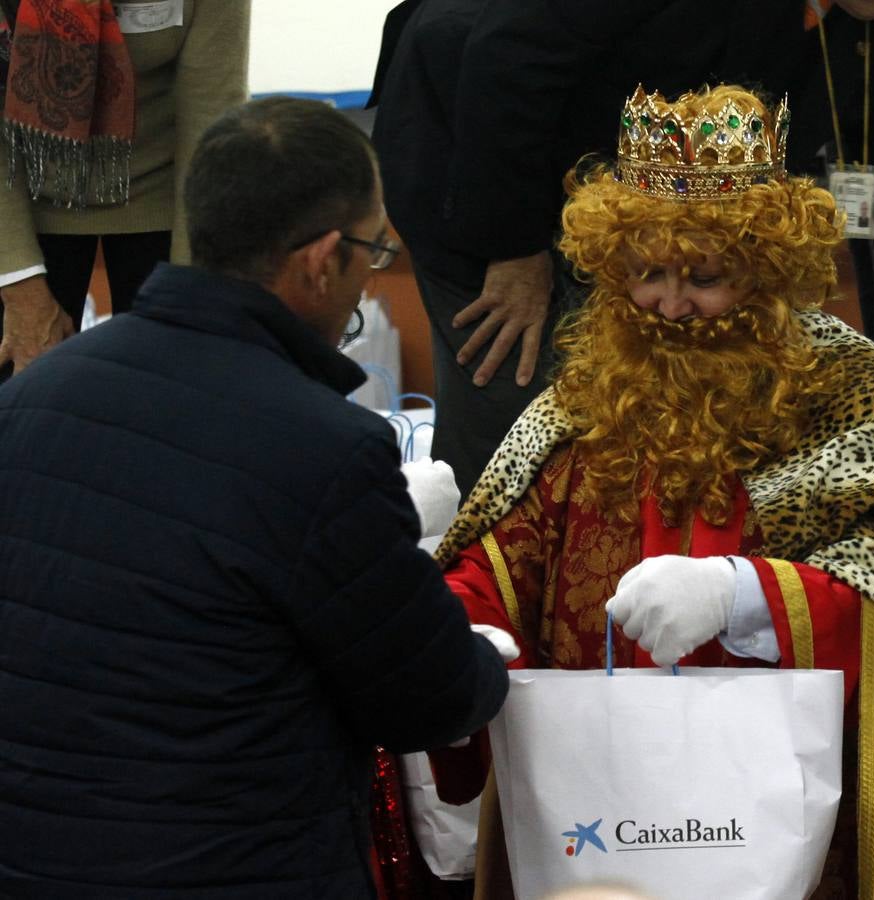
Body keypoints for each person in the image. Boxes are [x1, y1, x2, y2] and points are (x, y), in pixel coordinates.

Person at [432, 85, 874, 900]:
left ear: (768, 271)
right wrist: (462, 631)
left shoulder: (860, 392)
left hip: (796, 824)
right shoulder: (582, 399)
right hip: (599, 799)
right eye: (645, 275)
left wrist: (748, 598)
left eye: (705, 277)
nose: (671, 306)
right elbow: (504, 554)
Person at [0, 96, 512, 898]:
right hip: (231, 868)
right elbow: (429, 700)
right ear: (319, 259)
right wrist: (486, 654)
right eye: (373, 253)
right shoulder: (323, 448)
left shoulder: (32, 397)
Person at [371, 0, 874, 497]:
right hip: (483, 148)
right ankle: (493, 604)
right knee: (526, 405)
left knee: (690, 390)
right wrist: (513, 251)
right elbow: (512, 52)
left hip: (656, 199)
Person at [0, 0, 250, 378]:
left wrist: (192, 298)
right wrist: (18, 284)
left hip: (165, 192)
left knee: (177, 378)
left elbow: (210, 128)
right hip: (19, 193)